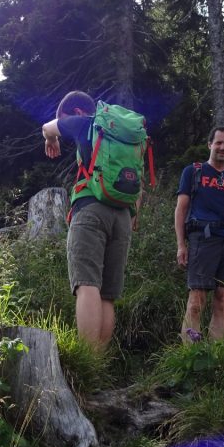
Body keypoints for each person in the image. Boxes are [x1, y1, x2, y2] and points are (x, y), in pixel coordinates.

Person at [41, 91, 137, 352]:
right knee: (107, 294)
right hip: (123, 216)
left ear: (76, 112)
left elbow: (46, 127)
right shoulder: (124, 135)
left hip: (90, 209)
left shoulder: (83, 122)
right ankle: (99, 363)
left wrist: (52, 139)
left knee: (87, 284)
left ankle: (87, 361)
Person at [175, 126, 224, 342]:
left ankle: (215, 356)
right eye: (219, 142)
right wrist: (181, 245)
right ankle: (188, 357)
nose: (223, 147)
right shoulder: (193, 171)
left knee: (223, 299)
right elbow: (181, 208)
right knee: (196, 301)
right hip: (203, 240)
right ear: (210, 144)